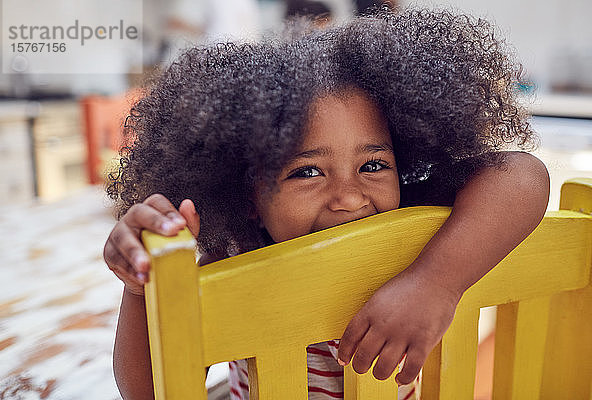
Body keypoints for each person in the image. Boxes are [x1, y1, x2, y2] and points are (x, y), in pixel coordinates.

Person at [104, 8, 550, 400]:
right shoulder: (230, 268)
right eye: (307, 172)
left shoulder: (416, 235)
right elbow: (150, 392)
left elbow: (522, 174)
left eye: (374, 164)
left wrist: (435, 283)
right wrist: (143, 287)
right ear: (250, 198)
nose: (350, 197)